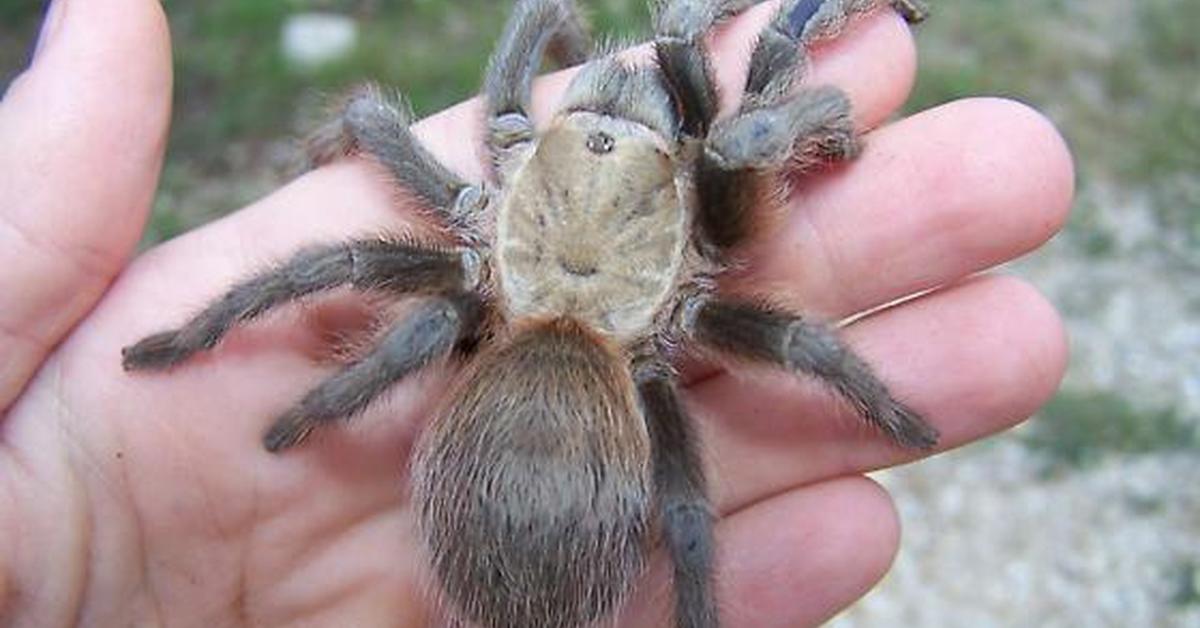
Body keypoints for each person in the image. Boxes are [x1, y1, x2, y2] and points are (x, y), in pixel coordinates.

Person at [0, 0, 1072, 625]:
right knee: (691, 507)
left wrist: (316, 406)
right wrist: (817, 125)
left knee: (368, 257)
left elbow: (374, 124)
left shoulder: (472, 214)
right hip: (598, 362)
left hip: (526, 339)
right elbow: (747, 142)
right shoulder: (707, 228)